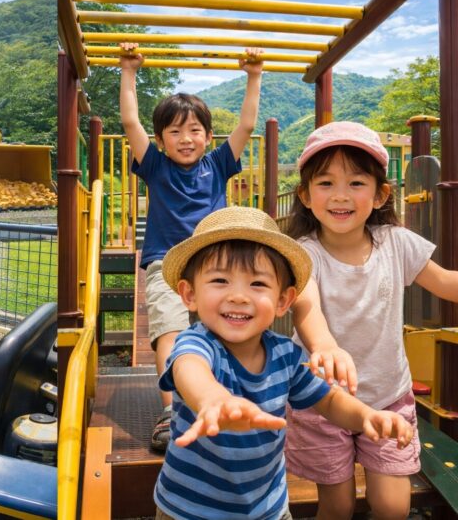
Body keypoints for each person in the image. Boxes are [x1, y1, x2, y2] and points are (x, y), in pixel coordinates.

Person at [155, 205, 413, 520]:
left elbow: (328, 399)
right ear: (189, 293)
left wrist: (366, 416)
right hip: (190, 510)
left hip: (268, 508)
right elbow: (188, 369)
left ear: (283, 301)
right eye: (220, 280)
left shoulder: (286, 355)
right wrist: (212, 398)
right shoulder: (197, 343)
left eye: (257, 284)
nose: (239, 296)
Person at [285, 121, 458, 519]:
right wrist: (324, 345)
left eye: (356, 183)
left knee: (392, 506)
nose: (340, 196)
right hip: (322, 400)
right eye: (325, 183)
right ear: (306, 196)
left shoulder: (396, 244)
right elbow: (306, 306)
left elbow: (446, 282)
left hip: (388, 396)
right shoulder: (303, 253)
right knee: (338, 505)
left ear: (380, 194)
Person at [119, 42, 264, 450]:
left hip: (214, 265)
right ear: (161, 139)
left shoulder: (218, 164)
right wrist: (129, 71)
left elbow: (247, 126)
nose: (186, 139)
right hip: (166, 264)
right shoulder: (156, 166)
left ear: (207, 135)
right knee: (171, 330)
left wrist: (253, 75)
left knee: (221, 331)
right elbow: (130, 122)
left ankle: (215, 399)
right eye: (175, 131)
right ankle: (170, 410)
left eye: (194, 130)